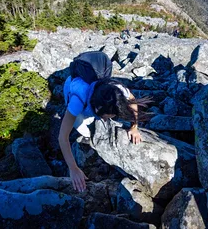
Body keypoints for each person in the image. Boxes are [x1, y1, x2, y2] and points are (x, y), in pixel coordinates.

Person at [58, 55, 151, 192]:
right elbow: (62, 137)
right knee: (81, 126)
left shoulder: (117, 90)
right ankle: (86, 123)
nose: (108, 120)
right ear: (96, 110)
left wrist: (134, 127)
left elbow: (132, 101)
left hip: (93, 96)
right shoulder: (78, 99)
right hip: (72, 86)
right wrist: (73, 168)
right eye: (107, 116)